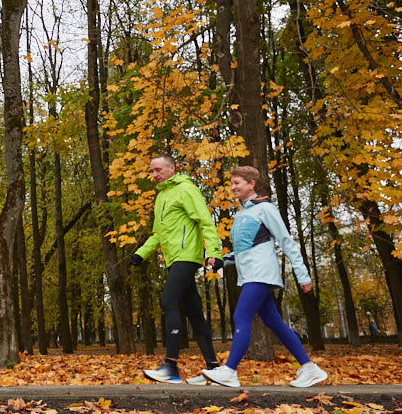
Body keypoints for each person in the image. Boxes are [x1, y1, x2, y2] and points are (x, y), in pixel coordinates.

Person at [202, 165, 328, 389]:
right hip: (250, 273)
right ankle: (310, 368)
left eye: (237, 183)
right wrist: (223, 260)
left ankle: (230, 371)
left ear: (251, 184)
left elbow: (286, 241)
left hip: (261, 272)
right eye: (232, 183)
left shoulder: (265, 209)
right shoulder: (243, 215)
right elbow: (244, 249)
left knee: (241, 316)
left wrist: (303, 275)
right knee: (275, 323)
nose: (233, 187)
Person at [131, 152, 222, 385]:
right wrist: (141, 253)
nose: (154, 175)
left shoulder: (186, 189)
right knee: (193, 312)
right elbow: (159, 234)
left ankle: (170, 366)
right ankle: (213, 367)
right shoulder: (161, 197)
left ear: (172, 169)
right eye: (151, 171)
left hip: (187, 256)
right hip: (173, 259)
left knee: (168, 301)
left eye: (158, 170)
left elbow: (204, 220)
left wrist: (213, 251)